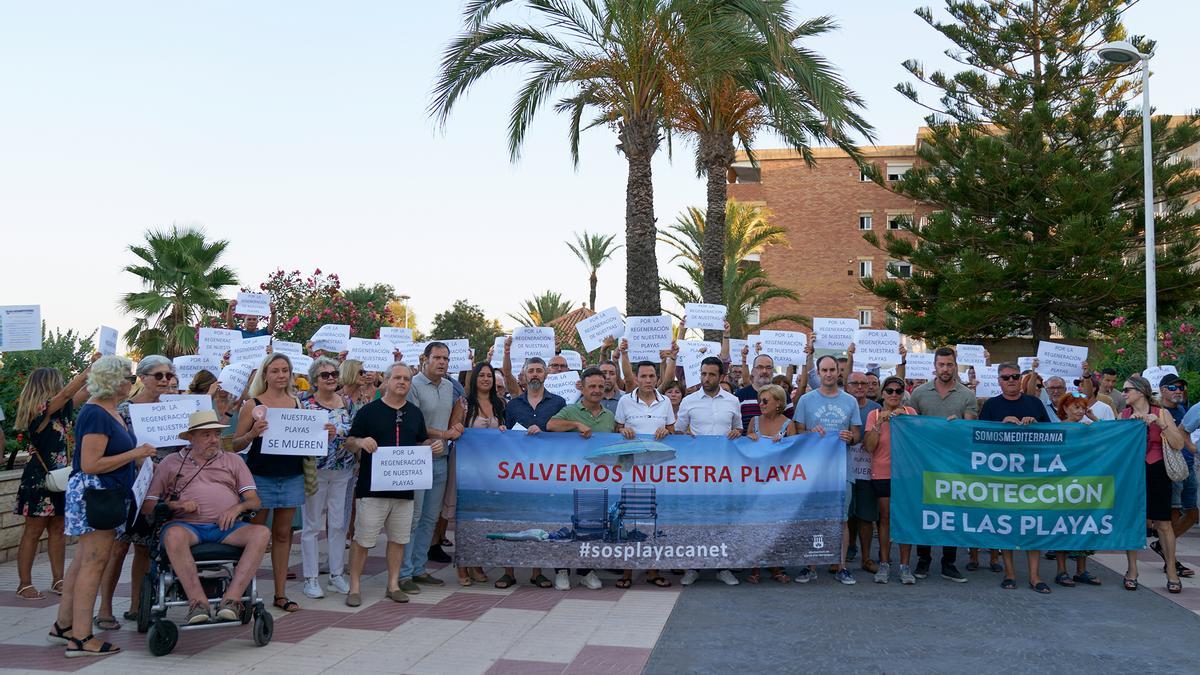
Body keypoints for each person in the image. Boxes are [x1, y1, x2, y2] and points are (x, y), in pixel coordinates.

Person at [50, 355, 156, 657]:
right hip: (97, 496)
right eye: (128, 376)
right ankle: (82, 637)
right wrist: (135, 453)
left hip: (106, 494)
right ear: (111, 380)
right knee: (93, 563)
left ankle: (65, 624)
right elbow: (90, 463)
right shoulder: (96, 412)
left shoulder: (108, 410)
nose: (132, 382)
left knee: (83, 560)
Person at [141, 410, 270, 623]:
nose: (214, 440)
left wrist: (236, 509)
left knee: (261, 533)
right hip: (187, 526)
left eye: (216, 435)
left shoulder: (233, 460)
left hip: (226, 527)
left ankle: (231, 599)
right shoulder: (171, 463)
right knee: (173, 536)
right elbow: (148, 506)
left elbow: (254, 501)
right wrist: (177, 505)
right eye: (206, 435)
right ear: (191, 438)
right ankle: (198, 603)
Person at [344, 363, 440, 606]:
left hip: (405, 489)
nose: (402, 382)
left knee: (398, 539)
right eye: (397, 377)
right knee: (363, 539)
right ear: (386, 381)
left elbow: (421, 441)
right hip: (372, 488)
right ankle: (354, 587)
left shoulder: (414, 413)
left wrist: (431, 446)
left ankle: (394, 584)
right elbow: (349, 442)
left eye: (407, 378)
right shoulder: (369, 411)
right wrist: (361, 442)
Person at [97, 354, 181, 631]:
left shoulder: (175, 408)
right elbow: (113, 448)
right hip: (130, 487)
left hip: (161, 489)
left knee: (144, 549)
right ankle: (105, 609)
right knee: (119, 548)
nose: (166, 381)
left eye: (169, 375)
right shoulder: (124, 410)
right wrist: (139, 459)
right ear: (142, 378)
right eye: (159, 375)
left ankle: (137, 606)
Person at [12, 359, 97, 600]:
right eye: (57, 382)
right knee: (33, 531)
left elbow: (82, 391)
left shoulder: (60, 412)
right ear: (48, 386)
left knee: (58, 529)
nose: (62, 386)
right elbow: (71, 390)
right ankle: (24, 583)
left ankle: (58, 579)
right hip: (39, 478)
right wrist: (86, 370)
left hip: (60, 477)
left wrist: (99, 371)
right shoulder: (40, 412)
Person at [232, 352, 306, 613]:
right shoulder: (252, 404)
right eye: (275, 370)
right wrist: (252, 433)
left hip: (291, 475)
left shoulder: (297, 402)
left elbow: (306, 436)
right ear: (265, 374)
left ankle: (281, 593)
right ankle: (240, 594)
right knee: (254, 535)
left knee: (284, 534)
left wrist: (323, 431)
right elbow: (235, 443)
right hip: (260, 476)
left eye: (285, 370)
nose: (281, 375)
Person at [978, 363, 1051, 592]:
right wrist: (1000, 426)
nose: (1010, 380)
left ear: (1021, 379)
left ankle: (1035, 576)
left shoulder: (1034, 403)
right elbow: (978, 438)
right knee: (1005, 525)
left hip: (1032, 474)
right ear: (998, 381)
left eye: (1014, 376)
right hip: (1002, 476)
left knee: (1033, 524)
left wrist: (1036, 425)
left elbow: (1053, 436)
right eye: (1005, 377)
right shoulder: (991, 405)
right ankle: (1009, 573)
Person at [906, 347, 978, 582]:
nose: (945, 369)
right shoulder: (918, 393)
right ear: (934, 366)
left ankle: (949, 562)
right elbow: (910, 428)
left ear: (955, 365)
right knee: (924, 511)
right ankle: (923, 559)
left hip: (953, 464)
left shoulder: (966, 395)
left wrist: (959, 425)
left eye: (949, 365)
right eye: (941, 365)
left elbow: (970, 429)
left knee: (951, 513)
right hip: (924, 463)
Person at [397, 342, 461, 596]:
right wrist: (445, 433)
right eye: (437, 358)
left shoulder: (449, 386)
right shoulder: (413, 385)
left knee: (430, 518)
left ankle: (419, 568)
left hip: (441, 459)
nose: (442, 362)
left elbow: (453, 416)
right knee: (412, 518)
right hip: (417, 458)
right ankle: (403, 573)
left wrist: (455, 429)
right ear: (425, 359)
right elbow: (414, 422)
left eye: (446, 358)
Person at [793, 355, 862, 585]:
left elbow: (857, 435)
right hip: (813, 471)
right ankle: (809, 565)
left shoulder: (850, 401)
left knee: (841, 520)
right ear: (818, 372)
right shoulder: (805, 400)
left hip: (842, 469)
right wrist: (812, 434)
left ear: (838, 372)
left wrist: (851, 437)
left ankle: (841, 566)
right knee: (812, 517)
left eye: (833, 369)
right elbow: (798, 434)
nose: (830, 374)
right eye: (825, 370)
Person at [547, 367, 617, 590]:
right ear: (583, 388)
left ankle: (587, 571)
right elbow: (550, 425)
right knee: (566, 525)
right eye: (592, 386)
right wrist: (576, 424)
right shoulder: (569, 410)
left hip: (597, 480)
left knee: (591, 526)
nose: (596, 391)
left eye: (600, 386)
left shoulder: (609, 416)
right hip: (570, 479)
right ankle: (562, 571)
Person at [676, 356, 742, 586]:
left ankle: (723, 567)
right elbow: (678, 432)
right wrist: (685, 436)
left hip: (724, 472)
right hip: (696, 472)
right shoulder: (688, 401)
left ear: (721, 376)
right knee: (695, 519)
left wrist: (738, 433)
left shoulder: (733, 401)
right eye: (703, 374)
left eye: (711, 374)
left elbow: (738, 429)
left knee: (723, 519)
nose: (706, 378)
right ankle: (692, 567)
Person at [1121, 375, 1189, 593]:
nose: (1123, 394)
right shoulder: (1123, 415)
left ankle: (1171, 570)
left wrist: (1159, 423)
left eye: (1126, 390)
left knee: (1163, 523)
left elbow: (1178, 444)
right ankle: (1132, 570)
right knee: (1134, 522)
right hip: (1133, 473)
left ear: (1140, 392)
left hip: (1158, 470)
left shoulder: (1162, 413)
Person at [613, 360, 676, 589]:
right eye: (644, 376)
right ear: (636, 378)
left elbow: (673, 430)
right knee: (629, 517)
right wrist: (623, 430)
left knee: (653, 517)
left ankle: (652, 571)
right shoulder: (624, 401)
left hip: (657, 469)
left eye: (652, 376)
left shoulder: (665, 402)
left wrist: (667, 431)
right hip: (631, 468)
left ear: (657, 378)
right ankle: (627, 572)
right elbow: (615, 429)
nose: (648, 380)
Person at [299, 356, 356, 599]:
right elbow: (298, 435)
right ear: (315, 380)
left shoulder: (347, 402)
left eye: (334, 374)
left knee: (338, 524)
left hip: (344, 470)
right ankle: (311, 577)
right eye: (325, 375)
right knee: (311, 525)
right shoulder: (304, 404)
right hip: (315, 470)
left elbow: (356, 431)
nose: (331, 378)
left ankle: (336, 574)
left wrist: (342, 435)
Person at [864, 376, 917, 585]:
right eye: (890, 391)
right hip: (882, 472)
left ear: (903, 394)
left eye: (898, 391)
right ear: (882, 393)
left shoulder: (910, 414)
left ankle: (905, 565)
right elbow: (869, 447)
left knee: (905, 518)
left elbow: (918, 441)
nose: (894, 394)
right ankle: (884, 563)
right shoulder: (873, 414)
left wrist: (903, 420)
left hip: (906, 474)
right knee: (884, 519)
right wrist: (879, 423)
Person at [457, 363, 502, 587]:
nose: (486, 379)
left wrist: (502, 431)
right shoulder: (464, 403)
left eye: (489, 376)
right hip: (466, 469)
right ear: (474, 379)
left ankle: (477, 563)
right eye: (481, 375)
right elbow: (453, 429)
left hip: (489, 470)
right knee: (465, 517)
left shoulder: (498, 404)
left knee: (482, 518)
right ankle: (463, 566)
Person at [1050, 393, 1102, 587]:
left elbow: (1109, 437)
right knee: (1062, 526)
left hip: (1084, 485)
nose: (1080, 411)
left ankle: (1081, 570)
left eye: (1083, 408)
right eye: (1076, 407)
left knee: (1083, 526)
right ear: (1065, 409)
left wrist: (1094, 422)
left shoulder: (1088, 428)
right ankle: (1061, 571)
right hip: (1062, 485)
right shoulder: (1057, 429)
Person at [744, 384, 793, 584]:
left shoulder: (788, 424)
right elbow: (744, 452)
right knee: (756, 524)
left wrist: (783, 445)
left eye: (765, 400)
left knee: (776, 525)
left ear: (778, 403)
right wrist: (749, 439)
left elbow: (798, 453)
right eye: (759, 400)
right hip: (755, 481)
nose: (761, 404)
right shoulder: (754, 421)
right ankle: (755, 567)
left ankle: (776, 566)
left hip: (779, 482)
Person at [1157, 373, 1197, 578]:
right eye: (1173, 388)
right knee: (1172, 514)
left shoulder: (1182, 409)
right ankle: (1170, 561)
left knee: (1193, 513)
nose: (1179, 391)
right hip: (1170, 469)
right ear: (1162, 389)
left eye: (1181, 388)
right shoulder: (1159, 412)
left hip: (1188, 468)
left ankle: (1161, 545)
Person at [845, 371, 882, 575]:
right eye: (855, 383)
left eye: (864, 383)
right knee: (848, 513)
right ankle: (850, 546)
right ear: (847, 385)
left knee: (866, 515)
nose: (860, 386)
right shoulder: (843, 405)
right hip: (845, 467)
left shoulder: (876, 409)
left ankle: (866, 557)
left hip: (869, 469)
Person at [505, 356, 567, 433]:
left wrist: (542, 435)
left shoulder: (559, 403)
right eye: (530, 371)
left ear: (546, 375)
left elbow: (564, 435)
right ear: (525, 375)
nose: (535, 374)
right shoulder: (513, 405)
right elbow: (507, 436)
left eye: (539, 371)